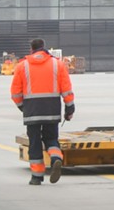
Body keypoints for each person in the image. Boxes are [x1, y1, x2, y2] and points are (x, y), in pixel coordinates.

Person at [9, 38, 74, 185]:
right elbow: (66, 88)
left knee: (34, 142)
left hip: (32, 110)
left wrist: (23, 107)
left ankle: (36, 177)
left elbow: (15, 93)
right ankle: (56, 158)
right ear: (44, 47)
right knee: (51, 138)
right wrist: (70, 107)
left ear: (31, 49)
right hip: (52, 110)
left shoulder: (22, 65)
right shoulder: (57, 64)